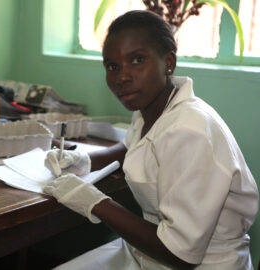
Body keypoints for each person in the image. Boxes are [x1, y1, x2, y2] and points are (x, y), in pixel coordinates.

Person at [43, 10, 259, 270]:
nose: (122, 76)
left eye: (137, 60)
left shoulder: (190, 132)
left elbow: (180, 254)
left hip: (198, 262)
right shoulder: (154, 105)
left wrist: (93, 201)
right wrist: (83, 160)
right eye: (112, 66)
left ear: (168, 62)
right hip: (147, 250)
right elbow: (130, 147)